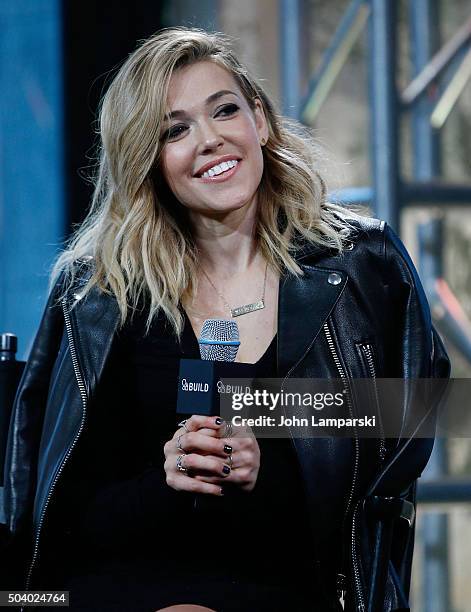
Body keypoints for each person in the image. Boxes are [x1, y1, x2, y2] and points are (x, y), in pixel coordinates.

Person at [2, 27, 450, 612]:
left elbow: (422, 410)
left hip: (298, 575)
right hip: (126, 576)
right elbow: (57, 513)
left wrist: (261, 424)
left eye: (225, 111)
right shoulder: (99, 291)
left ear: (259, 120)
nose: (210, 140)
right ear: (148, 159)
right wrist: (166, 480)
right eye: (176, 130)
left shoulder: (362, 261)